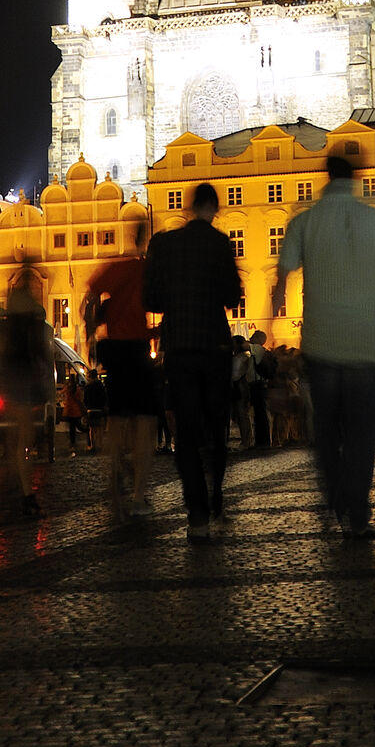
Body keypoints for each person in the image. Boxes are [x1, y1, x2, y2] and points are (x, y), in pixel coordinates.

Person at [275, 152, 375, 538]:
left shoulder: (305, 220)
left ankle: (335, 496)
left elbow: (284, 269)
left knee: (325, 427)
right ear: (356, 178)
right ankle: (358, 510)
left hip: (322, 341)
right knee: (360, 431)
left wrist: (276, 298)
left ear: (326, 176)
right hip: (368, 342)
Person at [144, 183, 243, 540]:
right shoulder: (219, 243)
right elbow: (233, 296)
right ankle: (217, 493)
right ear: (214, 209)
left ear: (189, 207)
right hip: (214, 345)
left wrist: (175, 298)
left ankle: (197, 514)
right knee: (217, 427)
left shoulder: (168, 245)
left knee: (186, 431)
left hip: (180, 347)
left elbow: (150, 299)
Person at [84, 227, 158, 522]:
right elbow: (156, 303)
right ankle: (138, 494)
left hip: (113, 348)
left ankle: (113, 471)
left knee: (116, 418)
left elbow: (90, 295)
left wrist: (90, 330)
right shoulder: (146, 269)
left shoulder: (117, 266)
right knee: (145, 422)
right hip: (137, 348)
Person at [0, 273, 55, 516]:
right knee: (21, 441)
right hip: (24, 387)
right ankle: (23, 493)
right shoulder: (32, 329)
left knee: (14, 442)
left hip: (14, 385)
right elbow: (43, 357)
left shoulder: (8, 329)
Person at [244, 330, 272, 449]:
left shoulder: (257, 349)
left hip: (258, 385)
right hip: (257, 385)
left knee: (260, 414)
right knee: (258, 413)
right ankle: (260, 441)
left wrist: (245, 340)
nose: (251, 337)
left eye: (254, 336)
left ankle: (263, 442)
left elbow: (244, 345)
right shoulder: (258, 350)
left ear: (259, 339)